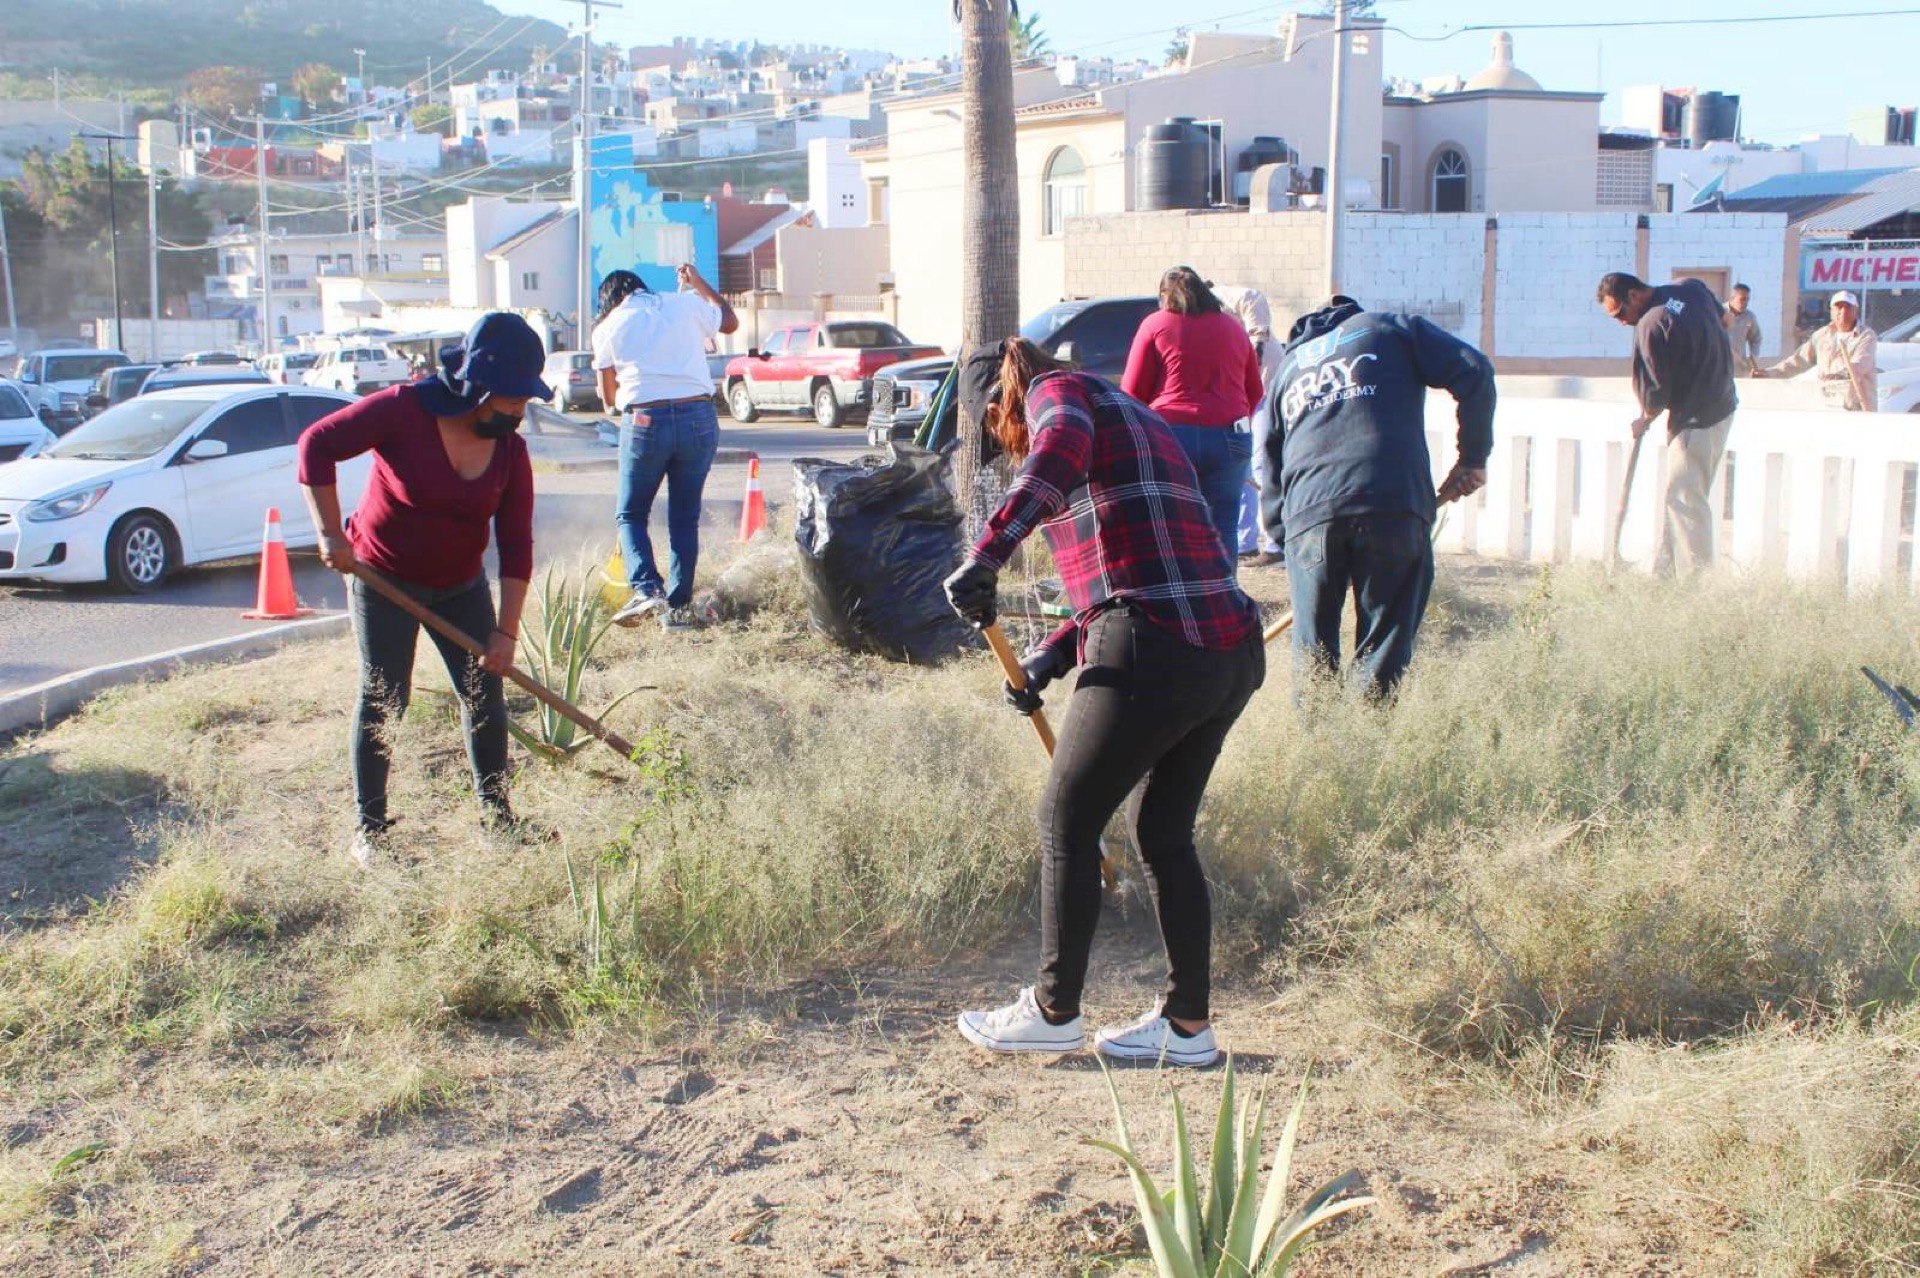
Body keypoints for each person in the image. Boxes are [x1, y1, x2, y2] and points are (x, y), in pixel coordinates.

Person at [941, 338, 1264, 1069]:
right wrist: (1054, 656)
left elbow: (1054, 455)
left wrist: (988, 553)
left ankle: (1055, 1012)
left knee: (1066, 816)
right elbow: (1147, 562)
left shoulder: (1058, 398)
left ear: (1002, 403)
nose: (1007, 443)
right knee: (1163, 833)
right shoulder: (1138, 417)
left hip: (1158, 641)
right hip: (1227, 650)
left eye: (999, 431)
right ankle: (1189, 1028)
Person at [297, 312, 549, 866]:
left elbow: (516, 546)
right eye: (512, 398)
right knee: (385, 698)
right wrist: (329, 533)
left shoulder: (510, 450)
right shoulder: (402, 410)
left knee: (484, 695)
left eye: (525, 400)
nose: (519, 411)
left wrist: (505, 633)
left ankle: (498, 821)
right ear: (477, 388)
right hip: (382, 577)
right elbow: (316, 445)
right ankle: (371, 833)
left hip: (460, 586)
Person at [1263, 296, 1494, 700]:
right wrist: (1472, 458)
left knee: (1313, 654)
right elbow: (1474, 369)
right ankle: (1364, 745)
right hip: (1389, 501)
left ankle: (1317, 752)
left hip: (1308, 513)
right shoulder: (1389, 327)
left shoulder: (1288, 369)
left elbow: (1270, 463)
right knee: (1383, 641)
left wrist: (1291, 545)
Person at [593, 264, 740, 631]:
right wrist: (697, 282)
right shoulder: (685, 304)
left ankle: (646, 589)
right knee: (683, 519)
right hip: (698, 416)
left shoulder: (608, 326)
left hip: (645, 419)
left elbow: (608, 399)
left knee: (631, 514)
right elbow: (730, 321)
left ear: (609, 299)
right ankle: (677, 612)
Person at [1120, 266, 1265, 571]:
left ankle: (1177, 599)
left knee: (1169, 522)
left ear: (1164, 296)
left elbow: (1132, 393)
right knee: (1223, 523)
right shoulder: (1233, 327)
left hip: (1171, 435)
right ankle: (1223, 601)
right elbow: (1255, 389)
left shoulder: (1155, 325)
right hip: (1230, 435)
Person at [1596, 272, 1738, 576]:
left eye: (1620, 313)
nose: (1622, 322)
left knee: (1686, 501)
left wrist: (1644, 419)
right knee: (1680, 495)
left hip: (1696, 419)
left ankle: (1694, 585)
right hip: (1723, 404)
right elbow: (1727, 321)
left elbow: (1656, 392)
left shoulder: (1651, 323)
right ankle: (1666, 571)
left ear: (1634, 295)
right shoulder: (1690, 287)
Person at [1214, 283, 1287, 567]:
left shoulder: (1221, 296)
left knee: (1261, 463)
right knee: (1241, 466)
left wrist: (1256, 339)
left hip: (1266, 388)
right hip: (1240, 394)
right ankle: (1245, 542)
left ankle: (1276, 544)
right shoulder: (1201, 321)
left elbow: (1252, 298)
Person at [1755, 290, 1878, 412]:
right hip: (1828, 405)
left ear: (1856, 310)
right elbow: (1799, 361)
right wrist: (1771, 373)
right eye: (1839, 307)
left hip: (1857, 407)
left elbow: (1861, 364)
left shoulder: (1866, 335)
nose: (1843, 312)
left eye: (1848, 308)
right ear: (1831, 311)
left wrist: (1841, 374)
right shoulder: (1821, 335)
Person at [1723, 283, 1763, 377]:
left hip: (1739, 368)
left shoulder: (1749, 317)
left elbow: (1756, 338)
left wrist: (1753, 358)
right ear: (1732, 298)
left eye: (1747, 299)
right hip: (1720, 366)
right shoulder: (1718, 312)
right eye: (1742, 299)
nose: (1745, 303)